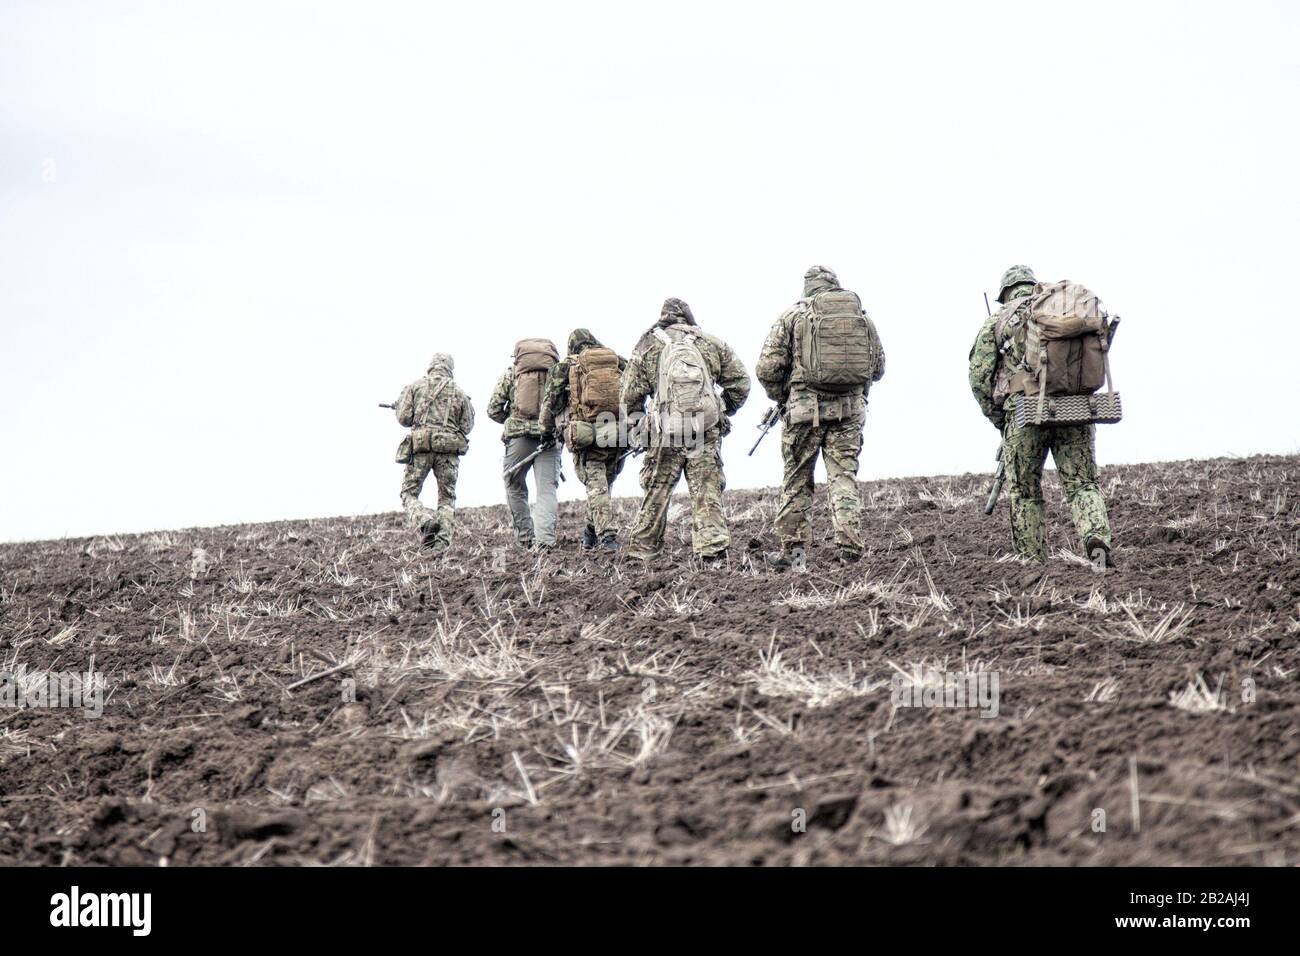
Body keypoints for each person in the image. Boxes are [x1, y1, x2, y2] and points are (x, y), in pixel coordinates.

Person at [968, 264, 1114, 568]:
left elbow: (979, 379)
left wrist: (1001, 420)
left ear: (1005, 292)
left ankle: (1033, 564)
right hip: (1074, 408)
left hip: (1024, 413)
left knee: (1025, 491)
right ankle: (1095, 539)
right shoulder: (1062, 308)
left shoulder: (997, 320)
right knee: (1083, 483)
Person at [756, 265, 885, 568]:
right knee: (843, 478)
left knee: (798, 481)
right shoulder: (861, 318)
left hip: (803, 413)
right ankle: (850, 551)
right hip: (849, 412)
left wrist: (783, 397)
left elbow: (767, 368)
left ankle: (795, 557)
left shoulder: (791, 317)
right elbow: (877, 368)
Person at [621, 298, 750, 563]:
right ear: (688, 318)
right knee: (706, 489)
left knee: (657, 489)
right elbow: (741, 383)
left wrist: (641, 424)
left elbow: (628, 396)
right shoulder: (709, 342)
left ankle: (643, 552)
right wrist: (720, 408)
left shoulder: (647, 344)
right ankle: (712, 551)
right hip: (705, 430)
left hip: (664, 431)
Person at [539, 329, 628, 552]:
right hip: (618, 433)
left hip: (586, 434)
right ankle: (590, 533)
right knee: (602, 486)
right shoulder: (616, 360)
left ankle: (607, 537)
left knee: (596, 486)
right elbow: (634, 389)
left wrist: (546, 431)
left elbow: (550, 403)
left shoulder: (566, 366)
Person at [393, 353, 475, 551]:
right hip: (448, 450)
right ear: (450, 368)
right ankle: (441, 545)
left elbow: (404, 418)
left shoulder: (415, 387)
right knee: (446, 499)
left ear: (430, 366)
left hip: (421, 447)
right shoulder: (460, 393)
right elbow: (467, 426)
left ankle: (424, 520)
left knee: (408, 493)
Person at [487, 338, 562, 550]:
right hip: (550, 438)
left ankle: (525, 538)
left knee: (514, 485)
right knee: (546, 490)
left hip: (519, 439)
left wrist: (511, 421)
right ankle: (545, 542)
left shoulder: (512, 374)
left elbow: (493, 408)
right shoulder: (558, 374)